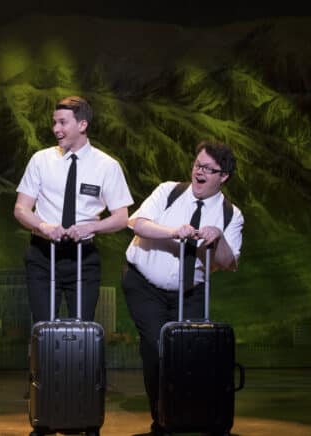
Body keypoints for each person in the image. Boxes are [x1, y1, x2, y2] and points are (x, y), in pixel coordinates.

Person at [122, 140, 244, 436]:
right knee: (157, 347)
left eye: (208, 169)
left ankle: (187, 416)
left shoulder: (231, 215)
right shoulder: (169, 191)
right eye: (197, 165)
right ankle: (161, 419)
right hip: (144, 284)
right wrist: (173, 232)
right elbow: (135, 222)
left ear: (223, 176)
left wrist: (218, 240)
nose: (199, 172)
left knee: (189, 355)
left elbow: (229, 263)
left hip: (190, 292)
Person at [14, 96, 133, 323]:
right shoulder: (41, 160)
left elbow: (121, 218)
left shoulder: (106, 166)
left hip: (83, 258)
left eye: (62, 122)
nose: (56, 129)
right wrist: (43, 226)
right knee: (43, 330)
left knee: (82, 331)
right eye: (54, 122)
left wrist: (91, 227)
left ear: (82, 125)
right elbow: (21, 209)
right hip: (43, 255)